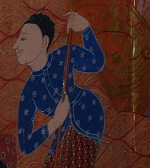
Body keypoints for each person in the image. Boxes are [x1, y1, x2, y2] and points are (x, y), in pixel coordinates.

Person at [14, 11, 105, 167]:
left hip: (87, 114)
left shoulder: (64, 54)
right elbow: (25, 145)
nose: (15, 46)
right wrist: (54, 123)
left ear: (44, 42)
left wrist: (85, 28)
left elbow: (97, 63)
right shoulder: (28, 92)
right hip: (61, 129)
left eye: (23, 39)